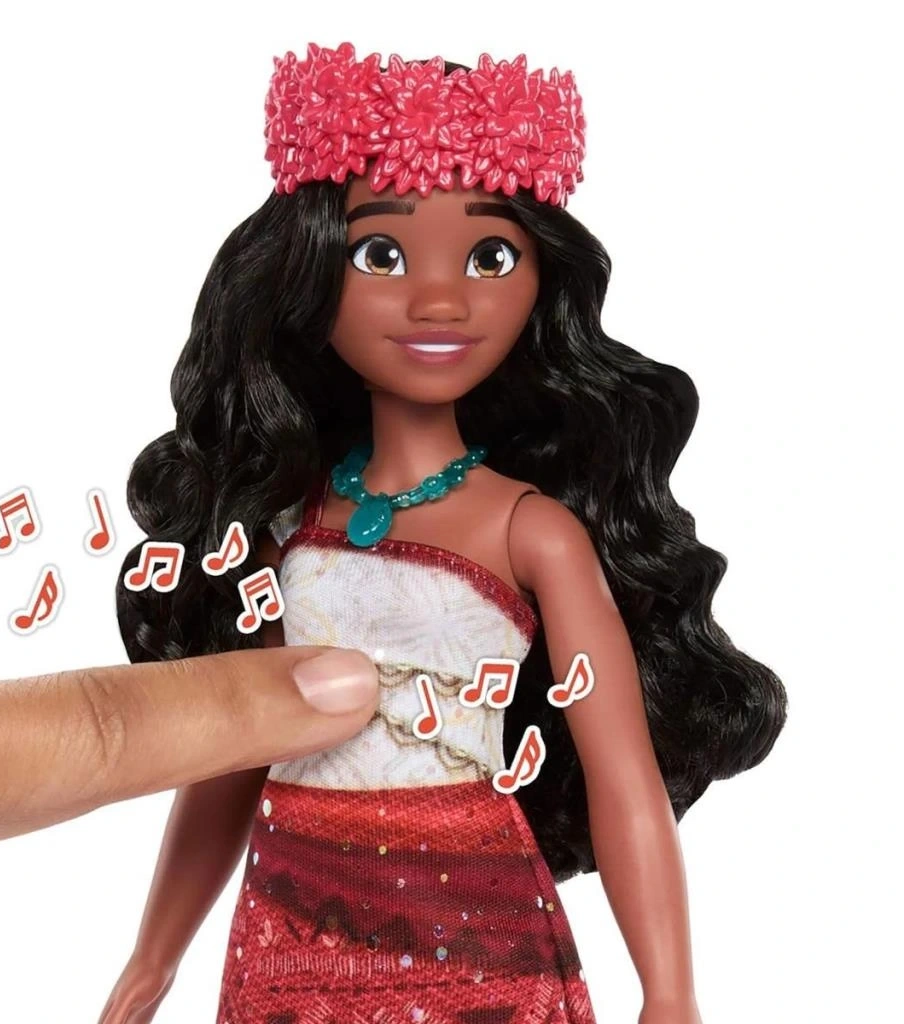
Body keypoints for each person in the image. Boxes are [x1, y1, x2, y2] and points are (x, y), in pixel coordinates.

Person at [107, 43, 786, 1023]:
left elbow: (623, 777)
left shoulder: (532, 531)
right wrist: (152, 957)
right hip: (294, 924)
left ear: (540, 280)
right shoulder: (284, 520)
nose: (440, 300)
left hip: (471, 925)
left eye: (489, 257)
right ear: (306, 274)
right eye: (380, 255)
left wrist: (669, 991)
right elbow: (236, 752)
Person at [0, 645, 380, 1024]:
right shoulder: (286, 547)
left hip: (421, 915)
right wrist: (155, 953)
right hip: (295, 933)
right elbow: (245, 742)